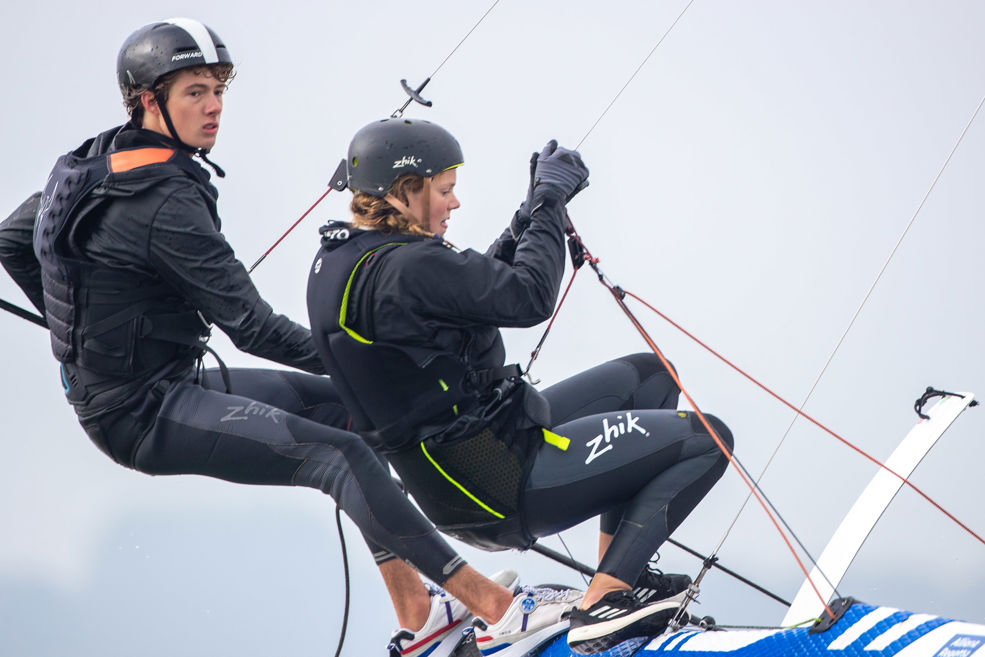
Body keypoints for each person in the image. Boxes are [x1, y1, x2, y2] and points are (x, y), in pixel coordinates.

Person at [0, 19, 584, 657]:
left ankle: (421, 612)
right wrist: (363, 359)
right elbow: (252, 328)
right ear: (148, 99)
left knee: (354, 419)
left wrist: (83, 334)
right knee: (340, 456)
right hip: (139, 412)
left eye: (219, 88)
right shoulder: (167, 202)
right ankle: (496, 607)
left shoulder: (89, 164)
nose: (215, 105)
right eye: (196, 91)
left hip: (160, 383)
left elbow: (14, 239)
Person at [306, 117, 736, 655]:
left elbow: (466, 288)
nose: (453, 203)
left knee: (651, 376)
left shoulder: (349, 258)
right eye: (444, 190)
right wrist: (551, 201)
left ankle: (618, 579)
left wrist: (526, 215)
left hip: (471, 461)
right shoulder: (409, 266)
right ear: (405, 190)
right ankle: (603, 608)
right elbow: (528, 298)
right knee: (709, 439)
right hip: (498, 481)